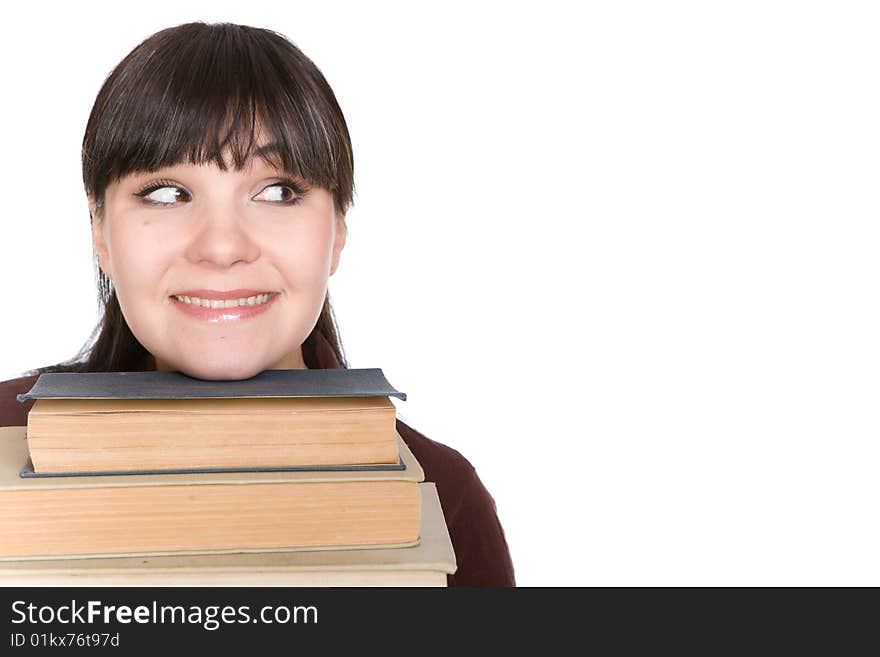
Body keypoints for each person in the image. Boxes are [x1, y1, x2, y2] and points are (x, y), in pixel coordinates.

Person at [0, 21, 515, 587]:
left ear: (338, 230)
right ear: (100, 231)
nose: (222, 247)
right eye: (168, 193)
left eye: (278, 192)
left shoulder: (444, 497)